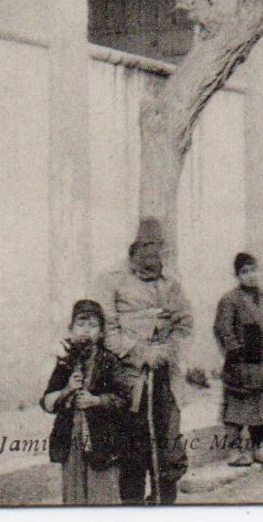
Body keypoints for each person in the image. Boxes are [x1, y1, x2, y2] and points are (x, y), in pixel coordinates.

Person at [94, 216, 194, 504]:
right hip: (128, 378)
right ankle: (133, 509)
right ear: (134, 248)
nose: (153, 253)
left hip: (165, 375)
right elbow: (107, 331)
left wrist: (168, 351)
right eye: (146, 246)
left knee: (167, 444)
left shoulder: (171, 283)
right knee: (133, 447)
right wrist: (140, 353)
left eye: (158, 247)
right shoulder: (112, 279)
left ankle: (164, 503)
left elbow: (185, 324)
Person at [41, 299, 137, 506]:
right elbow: (47, 402)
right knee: (74, 498)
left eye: (93, 326)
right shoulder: (65, 363)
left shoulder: (109, 361)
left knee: (102, 498)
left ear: (101, 332)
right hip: (71, 441)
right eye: (81, 325)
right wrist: (67, 389)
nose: (86, 331)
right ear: (71, 329)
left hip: (102, 441)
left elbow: (124, 399)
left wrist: (96, 401)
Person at [213, 252, 263, 471]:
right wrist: (236, 351)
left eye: (254, 270)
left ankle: (257, 448)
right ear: (237, 275)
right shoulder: (229, 300)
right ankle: (235, 450)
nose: (251, 275)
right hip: (242, 363)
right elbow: (222, 329)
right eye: (245, 272)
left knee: (262, 406)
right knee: (237, 406)